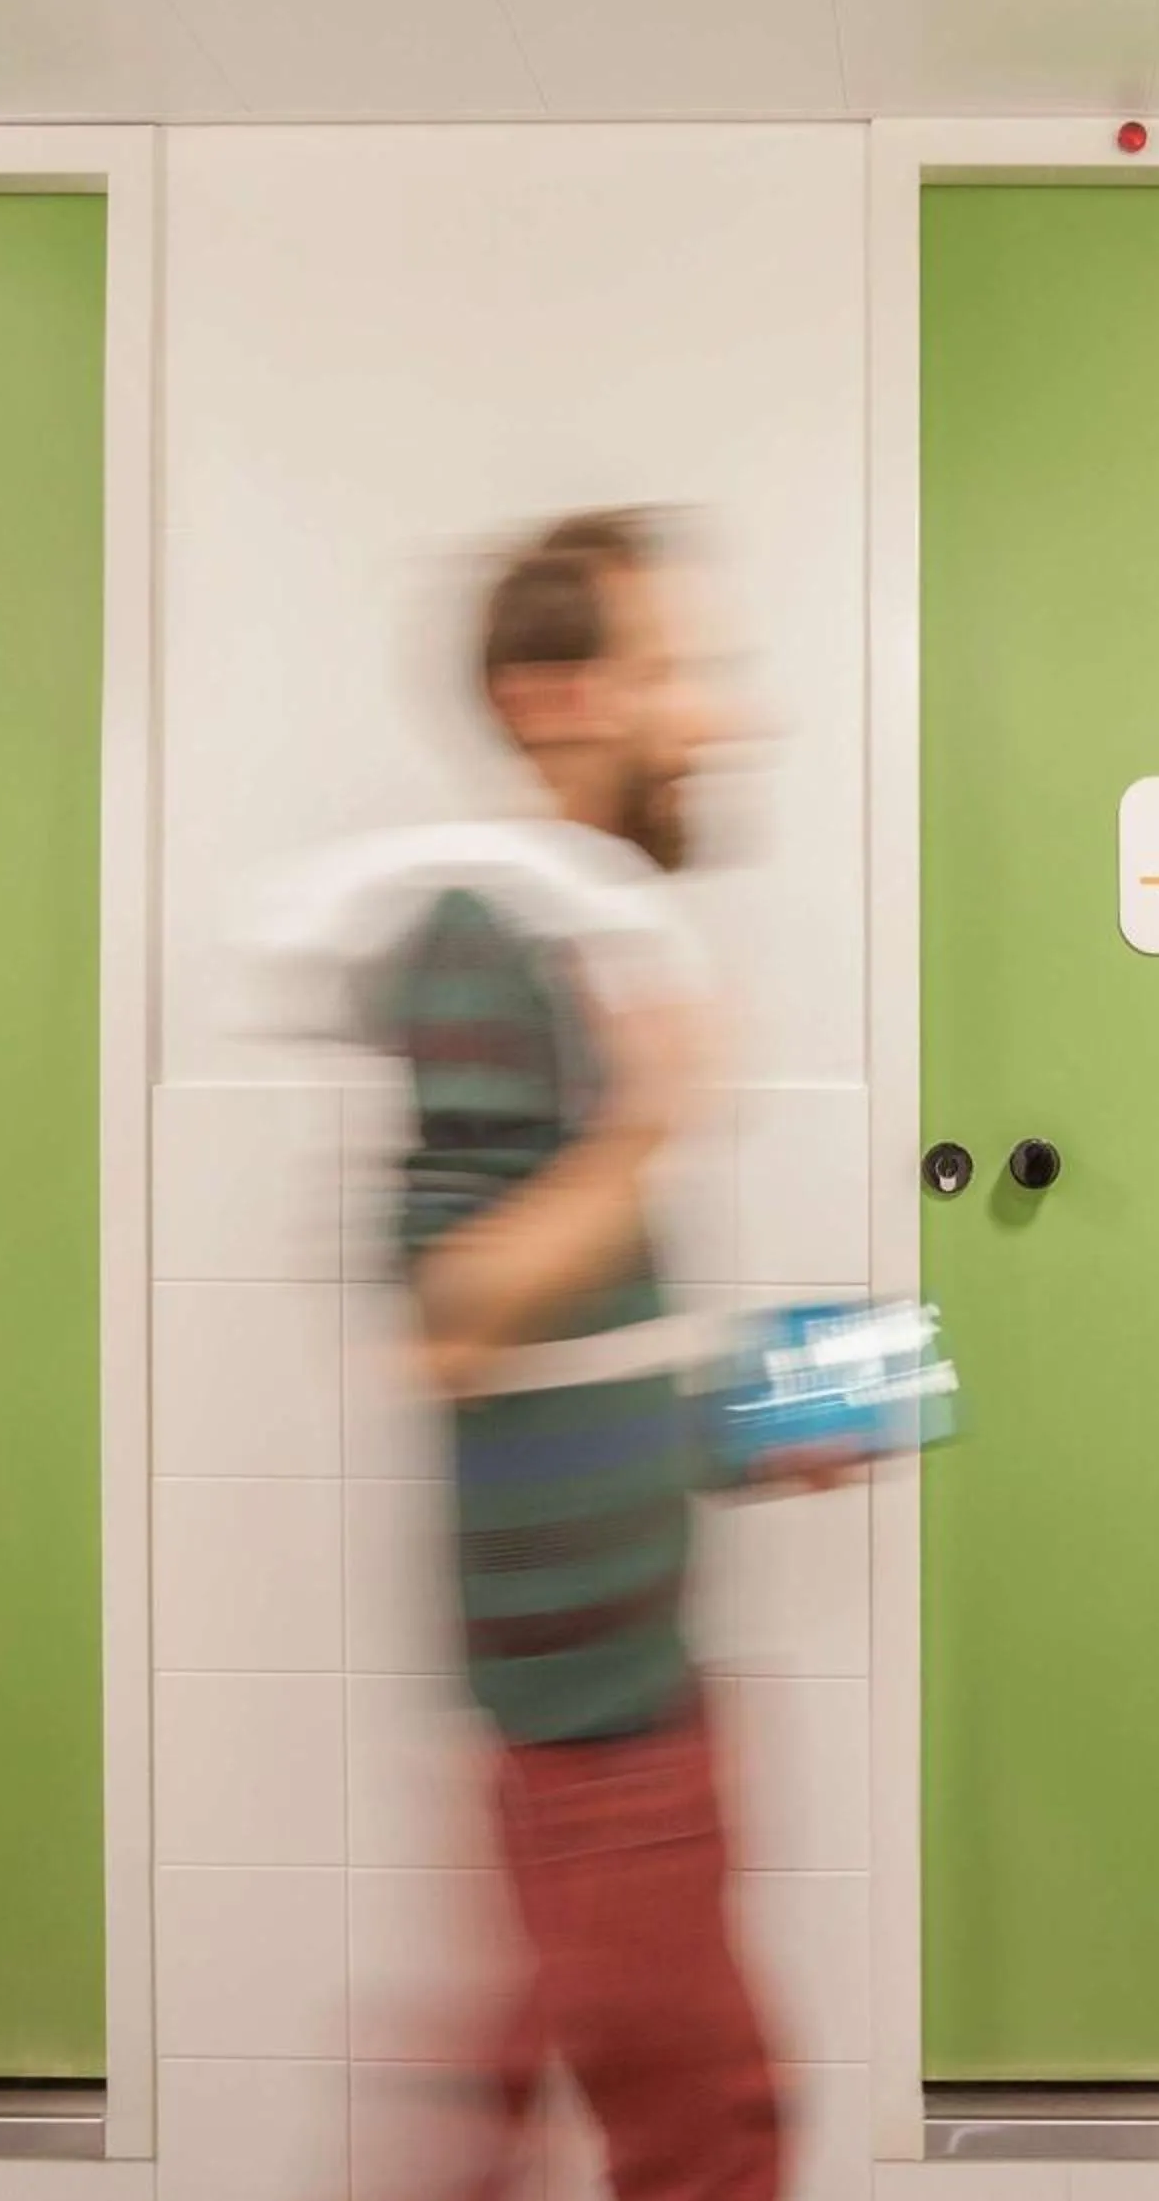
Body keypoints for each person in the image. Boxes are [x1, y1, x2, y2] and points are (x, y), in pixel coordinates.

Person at [390, 508, 837, 2201]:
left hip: (622, 1691)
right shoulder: (487, 943)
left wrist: (751, 1416)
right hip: (592, 1721)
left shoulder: (579, 939)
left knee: (553, 2112)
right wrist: (652, 1120)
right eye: (675, 673)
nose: (722, 715)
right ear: (554, 697)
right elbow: (448, 1315)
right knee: (707, 2143)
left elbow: (557, 1332)